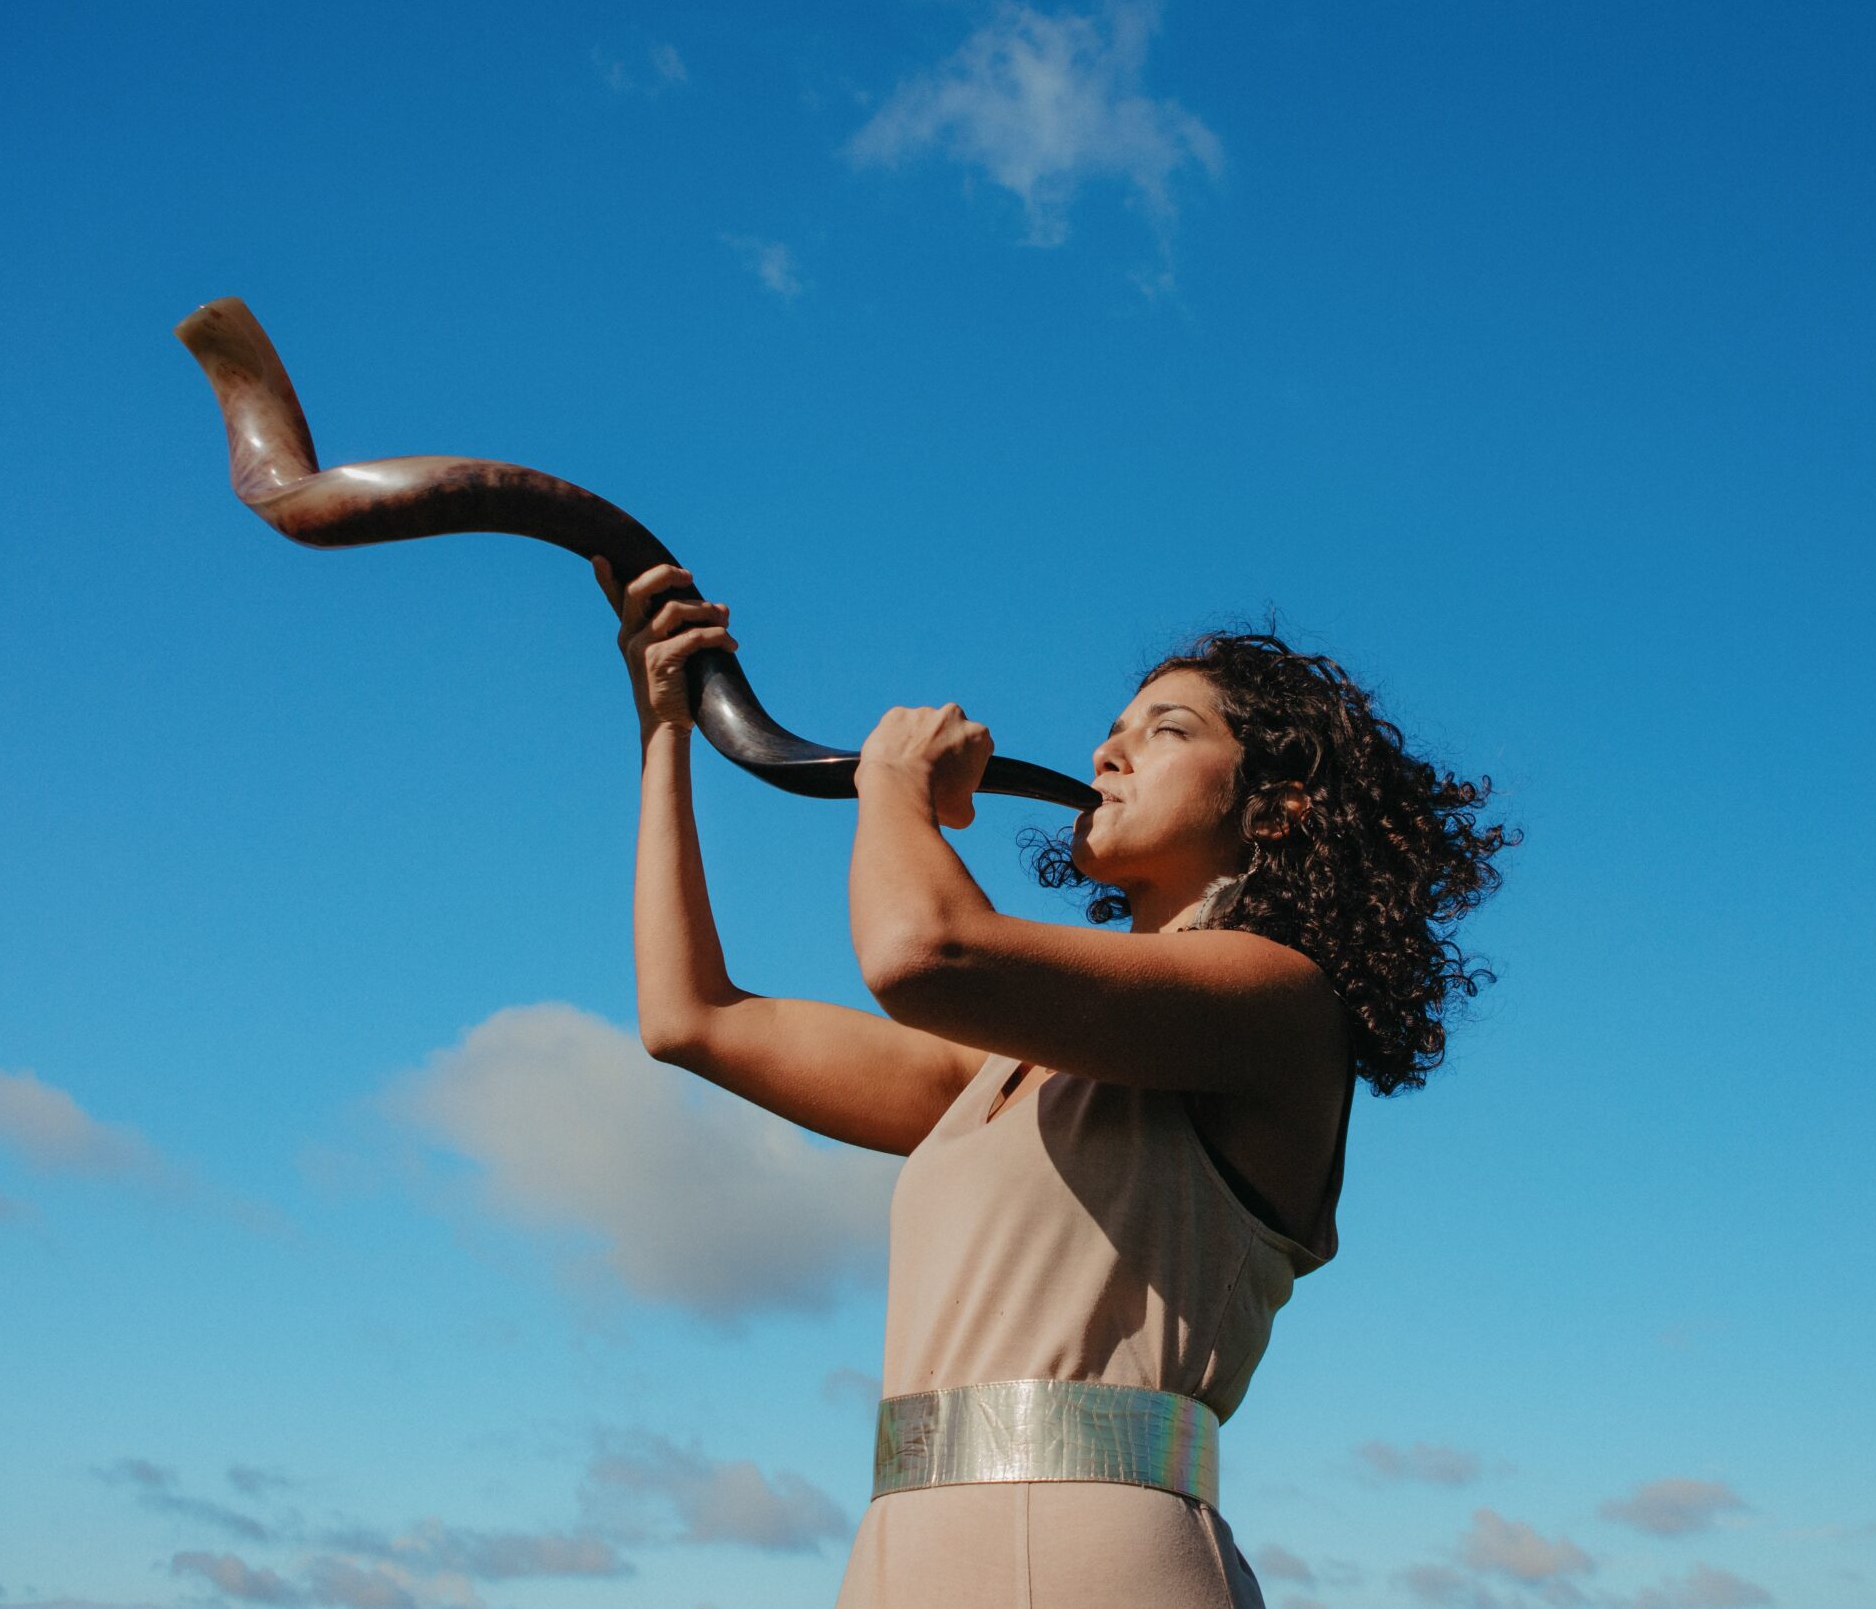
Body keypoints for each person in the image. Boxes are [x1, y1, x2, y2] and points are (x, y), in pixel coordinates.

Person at [593, 558, 1512, 1608]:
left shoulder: (1277, 1002)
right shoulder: (994, 1075)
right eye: (1114, 727)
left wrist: (892, 785)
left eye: (1166, 729)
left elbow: (920, 953)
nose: (1105, 752)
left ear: (1275, 810)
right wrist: (664, 730)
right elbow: (693, 1021)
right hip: (897, 1551)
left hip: (1102, 1554)